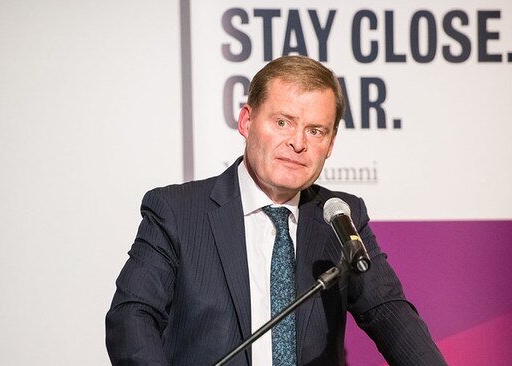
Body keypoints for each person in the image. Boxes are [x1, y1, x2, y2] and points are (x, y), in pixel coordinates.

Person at [106, 55, 447, 366]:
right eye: (283, 122)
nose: (298, 143)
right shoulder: (177, 212)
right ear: (246, 121)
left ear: (330, 144)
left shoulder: (340, 217)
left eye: (315, 131)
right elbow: (132, 316)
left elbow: (389, 313)